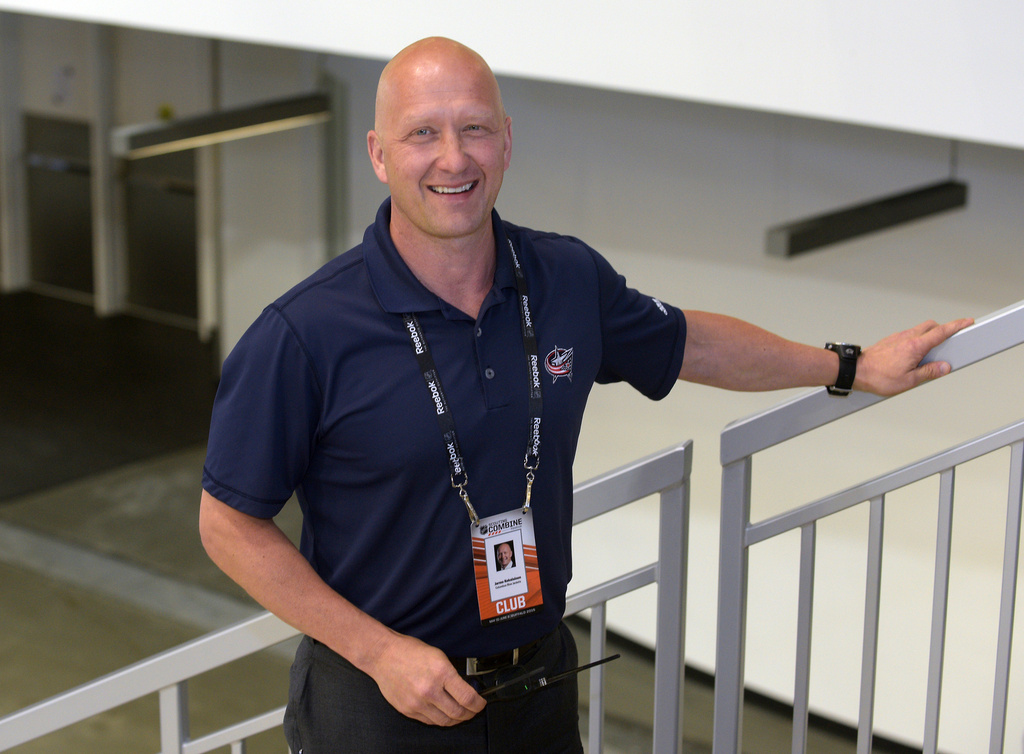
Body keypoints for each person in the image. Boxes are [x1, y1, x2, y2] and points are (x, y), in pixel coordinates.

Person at [198, 36, 972, 753]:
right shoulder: (304, 333)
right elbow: (229, 524)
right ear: (378, 153)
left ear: (506, 141)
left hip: (536, 684)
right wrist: (381, 652)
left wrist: (849, 366)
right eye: (422, 133)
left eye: (473, 129)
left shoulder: (564, 278)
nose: (452, 157)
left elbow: (688, 342)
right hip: (381, 701)